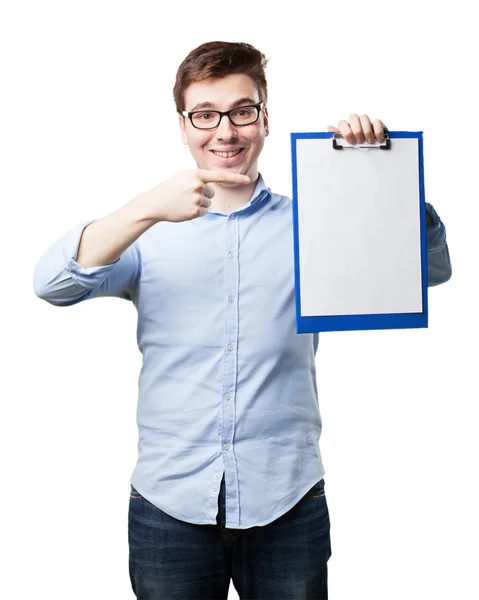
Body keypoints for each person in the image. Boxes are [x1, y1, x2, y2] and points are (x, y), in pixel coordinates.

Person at [32, 41, 452, 600]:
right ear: (183, 126)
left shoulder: (315, 221)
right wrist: (146, 206)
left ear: (265, 118)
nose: (224, 131)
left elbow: (426, 270)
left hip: (288, 503)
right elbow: (53, 285)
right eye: (204, 115)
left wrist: (380, 172)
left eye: (241, 111)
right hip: (168, 508)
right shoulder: (146, 230)